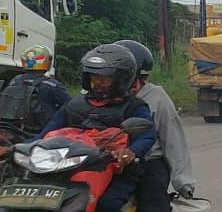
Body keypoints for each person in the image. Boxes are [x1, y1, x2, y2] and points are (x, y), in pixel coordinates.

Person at [37, 44, 157, 212]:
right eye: (94, 76)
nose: (98, 82)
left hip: (117, 169)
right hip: (68, 166)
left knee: (107, 204)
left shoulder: (134, 106)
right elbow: (47, 132)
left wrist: (131, 151)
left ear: (121, 79)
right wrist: (19, 148)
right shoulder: (74, 104)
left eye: (105, 78)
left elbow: (146, 134)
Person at [116, 40, 196, 211]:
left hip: (148, 162)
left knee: (153, 203)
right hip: (111, 161)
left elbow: (173, 140)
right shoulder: (101, 97)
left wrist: (183, 182)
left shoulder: (157, 98)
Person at [0, 45, 70, 140]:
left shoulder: (15, 80)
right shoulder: (52, 85)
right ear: (46, 62)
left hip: (12, 131)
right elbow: (70, 106)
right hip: (40, 135)